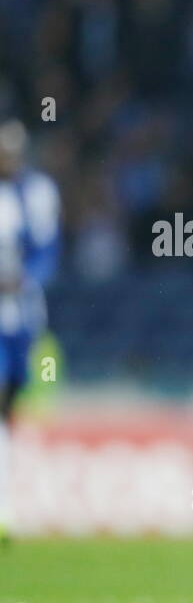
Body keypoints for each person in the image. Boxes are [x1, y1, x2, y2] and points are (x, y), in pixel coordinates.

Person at [0, 120, 60, 545]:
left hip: (21, 317)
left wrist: (24, 279)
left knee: (11, 404)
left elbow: (47, 251)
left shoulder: (37, 193)